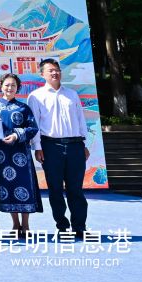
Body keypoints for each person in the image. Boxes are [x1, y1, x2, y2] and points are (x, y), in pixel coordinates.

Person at [28, 58, 89, 237]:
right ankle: (62, 225)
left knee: (75, 189)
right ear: (42, 74)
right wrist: (37, 147)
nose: (55, 73)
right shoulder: (36, 96)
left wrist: (84, 143)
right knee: (55, 189)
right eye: (50, 70)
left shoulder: (72, 94)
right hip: (50, 146)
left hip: (75, 145)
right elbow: (34, 124)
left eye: (57, 70)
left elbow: (80, 119)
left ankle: (79, 226)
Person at [0, 73, 43, 236]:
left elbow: (32, 128)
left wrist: (16, 135)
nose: (10, 88)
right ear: (1, 86)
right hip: (1, 154)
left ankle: (26, 225)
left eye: (13, 85)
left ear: (18, 88)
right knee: (7, 186)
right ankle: (15, 224)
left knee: (24, 185)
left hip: (20, 154)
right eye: (7, 85)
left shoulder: (24, 107)